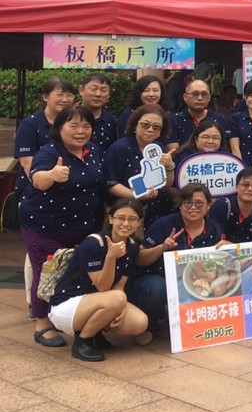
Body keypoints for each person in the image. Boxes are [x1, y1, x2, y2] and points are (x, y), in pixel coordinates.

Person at [20, 105, 105, 348]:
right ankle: (42, 322)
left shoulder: (94, 151)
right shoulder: (49, 153)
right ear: (59, 128)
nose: (81, 131)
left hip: (84, 227)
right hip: (45, 225)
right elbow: (38, 179)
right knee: (46, 272)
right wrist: (52, 175)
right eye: (74, 125)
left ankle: (71, 317)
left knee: (76, 273)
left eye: (86, 125)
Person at [47, 199, 151, 361]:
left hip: (100, 302)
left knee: (140, 323)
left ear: (138, 223)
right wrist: (110, 257)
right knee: (117, 298)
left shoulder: (132, 247)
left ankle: (95, 332)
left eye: (132, 219)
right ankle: (82, 341)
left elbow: (119, 286)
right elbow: (103, 287)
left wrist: (120, 308)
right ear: (111, 219)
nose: (126, 223)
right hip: (68, 305)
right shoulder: (93, 244)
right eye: (120, 218)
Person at [131, 183, 228, 336]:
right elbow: (139, 258)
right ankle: (150, 326)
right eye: (187, 202)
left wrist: (227, 249)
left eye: (199, 203)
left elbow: (215, 264)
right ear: (180, 205)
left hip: (193, 281)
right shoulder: (164, 224)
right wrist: (162, 247)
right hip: (157, 277)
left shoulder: (214, 229)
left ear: (209, 205)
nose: (193, 207)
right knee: (156, 288)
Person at [102, 104, 176, 228]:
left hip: (154, 212)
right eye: (145, 125)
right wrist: (136, 195)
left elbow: (165, 185)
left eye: (156, 127)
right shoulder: (120, 148)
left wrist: (170, 166)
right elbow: (110, 183)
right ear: (135, 125)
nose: (151, 129)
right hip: (125, 212)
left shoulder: (160, 149)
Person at [208, 166, 252, 243]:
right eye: (245, 184)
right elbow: (213, 241)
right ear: (237, 187)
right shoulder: (222, 205)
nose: (250, 189)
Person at [168, 79, 229, 150]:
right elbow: (174, 151)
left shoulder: (219, 119)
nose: (200, 98)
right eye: (195, 94)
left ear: (209, 98)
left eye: (204, 94)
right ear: (185, 97)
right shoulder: (174, 120)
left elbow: (224, 148)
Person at [78, 73, 118, 154]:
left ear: (108, 94)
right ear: (81, 90)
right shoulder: (68, 117)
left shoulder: (111, 121)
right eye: (93, 89)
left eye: (103, 90)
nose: (98, 94)